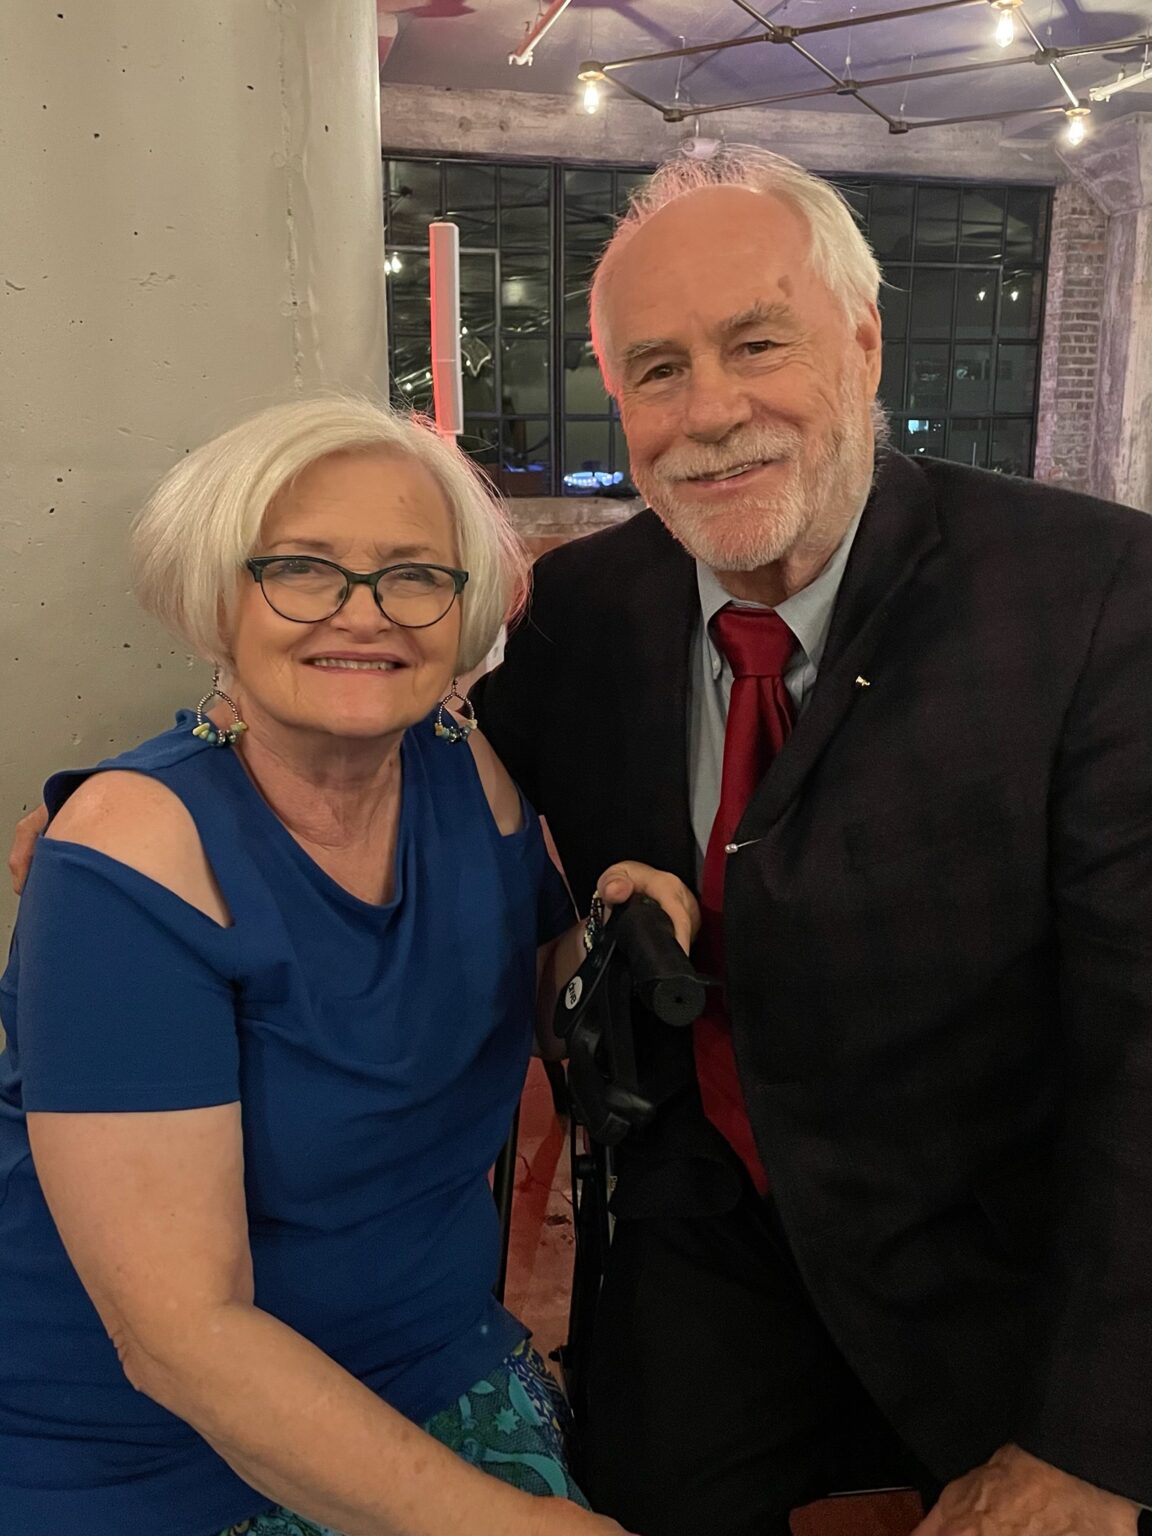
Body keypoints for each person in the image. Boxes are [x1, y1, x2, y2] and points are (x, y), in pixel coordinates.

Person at [463, 149, 1152, 1536]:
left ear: (865, 339)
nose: (709, 413)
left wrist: (1095, 1443)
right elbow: (394, 740)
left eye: (757, 343)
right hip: (700, 1249)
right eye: (656, 369)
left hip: (1007, 1269)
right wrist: (193, 789)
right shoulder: (578, 613)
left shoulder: (1091, 599)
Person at [0, 396, 694, 1536]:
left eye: (414, 575)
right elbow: (178, 1337)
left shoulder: (457, 764)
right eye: (303, 570)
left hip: (434, 1355)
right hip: (153, 1450)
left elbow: (524, 993)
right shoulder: (133, 852)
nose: (364, 615)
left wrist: (612, 932)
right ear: (219, 594)